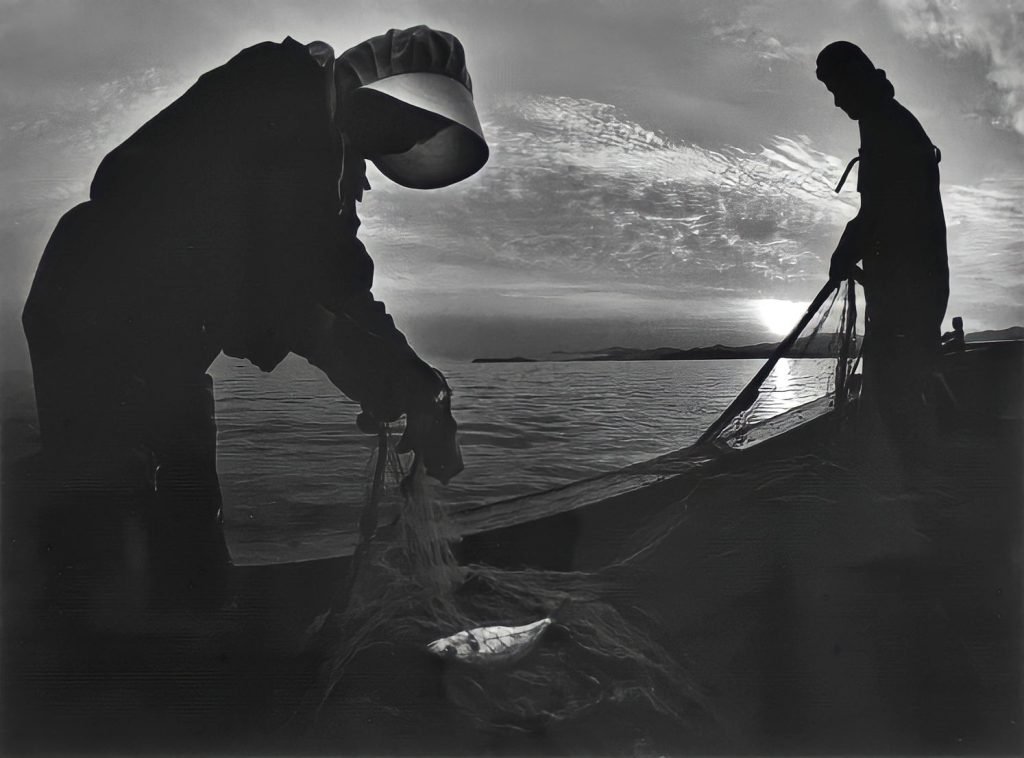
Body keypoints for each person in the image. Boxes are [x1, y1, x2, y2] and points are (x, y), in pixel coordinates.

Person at [21, 26, 487, 602]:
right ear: (381, 91)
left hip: (172, 348)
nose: (406, 135)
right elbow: (270, 284)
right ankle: (94, 650)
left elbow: (341, 285)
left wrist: (417, 381)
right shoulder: (275, 84)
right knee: (108, 495)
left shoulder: (331, 169)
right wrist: (372, 369)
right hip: (94, 310)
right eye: (411, 118)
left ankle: (186, 626)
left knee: (185, 507)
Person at [816, 41, 949, 461]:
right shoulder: (885, 119)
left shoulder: (886, 124)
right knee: (906, 383)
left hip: (911, 289)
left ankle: (914, 497)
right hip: (910, 284)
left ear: (855, 77)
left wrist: (843, 253)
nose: (836, 103)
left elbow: (879, 209)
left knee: (897, 393)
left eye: (837, 89)